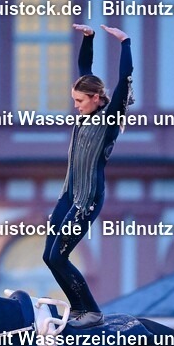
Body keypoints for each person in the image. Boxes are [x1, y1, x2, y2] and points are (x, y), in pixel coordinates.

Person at [43, 23, 134, 328]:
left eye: (80, 101)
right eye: (74, 101)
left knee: (59, 257)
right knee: (48, 256)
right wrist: (88, 38)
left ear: (96, 97)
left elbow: (124, 79)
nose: (76, 106)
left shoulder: (110, 117)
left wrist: (125, 43)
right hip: (67, 196)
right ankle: (80, 309)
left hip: (86, 200)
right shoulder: (85, 110)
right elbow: (85, 68)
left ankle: (90, 310)